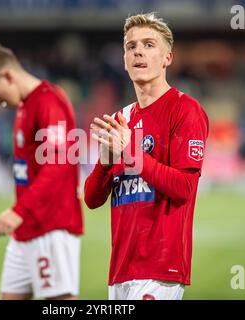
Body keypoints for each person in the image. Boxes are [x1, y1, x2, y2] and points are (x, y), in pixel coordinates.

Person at [85, 13, 209, 300]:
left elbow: (185, 188)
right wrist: (104, 163)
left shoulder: (185, 110)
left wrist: (130, 152)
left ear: (167, 58)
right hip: (119, 271)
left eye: (149, 45)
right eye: (131, 47)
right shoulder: (121, 118)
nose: (138, 51)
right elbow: (92, 200)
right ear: (125, 60)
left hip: (160, 270)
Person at [0, 43, 83, 300]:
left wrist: (19, 210)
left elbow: (59, 164)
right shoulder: (26, 105)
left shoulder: (49, 102)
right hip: (27, 228)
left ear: (7, 75)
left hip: (52, 226)